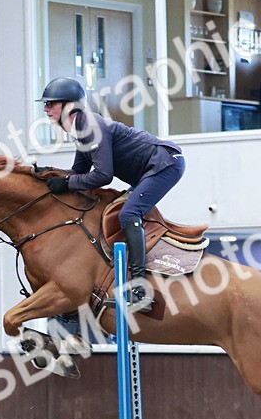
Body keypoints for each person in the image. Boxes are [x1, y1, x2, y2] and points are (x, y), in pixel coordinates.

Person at [39, 77, 185, 312]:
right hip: (153, 168)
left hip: (165, 163)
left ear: (69, 106)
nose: (45, 109)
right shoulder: (79, 129)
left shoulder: (89, 126)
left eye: (50, 103)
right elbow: (78, 172)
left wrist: (65, 183)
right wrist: (48, 175)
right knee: (112, 212)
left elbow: (103, 176)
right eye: (45, 104)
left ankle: (141, 291)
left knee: (128, 214)